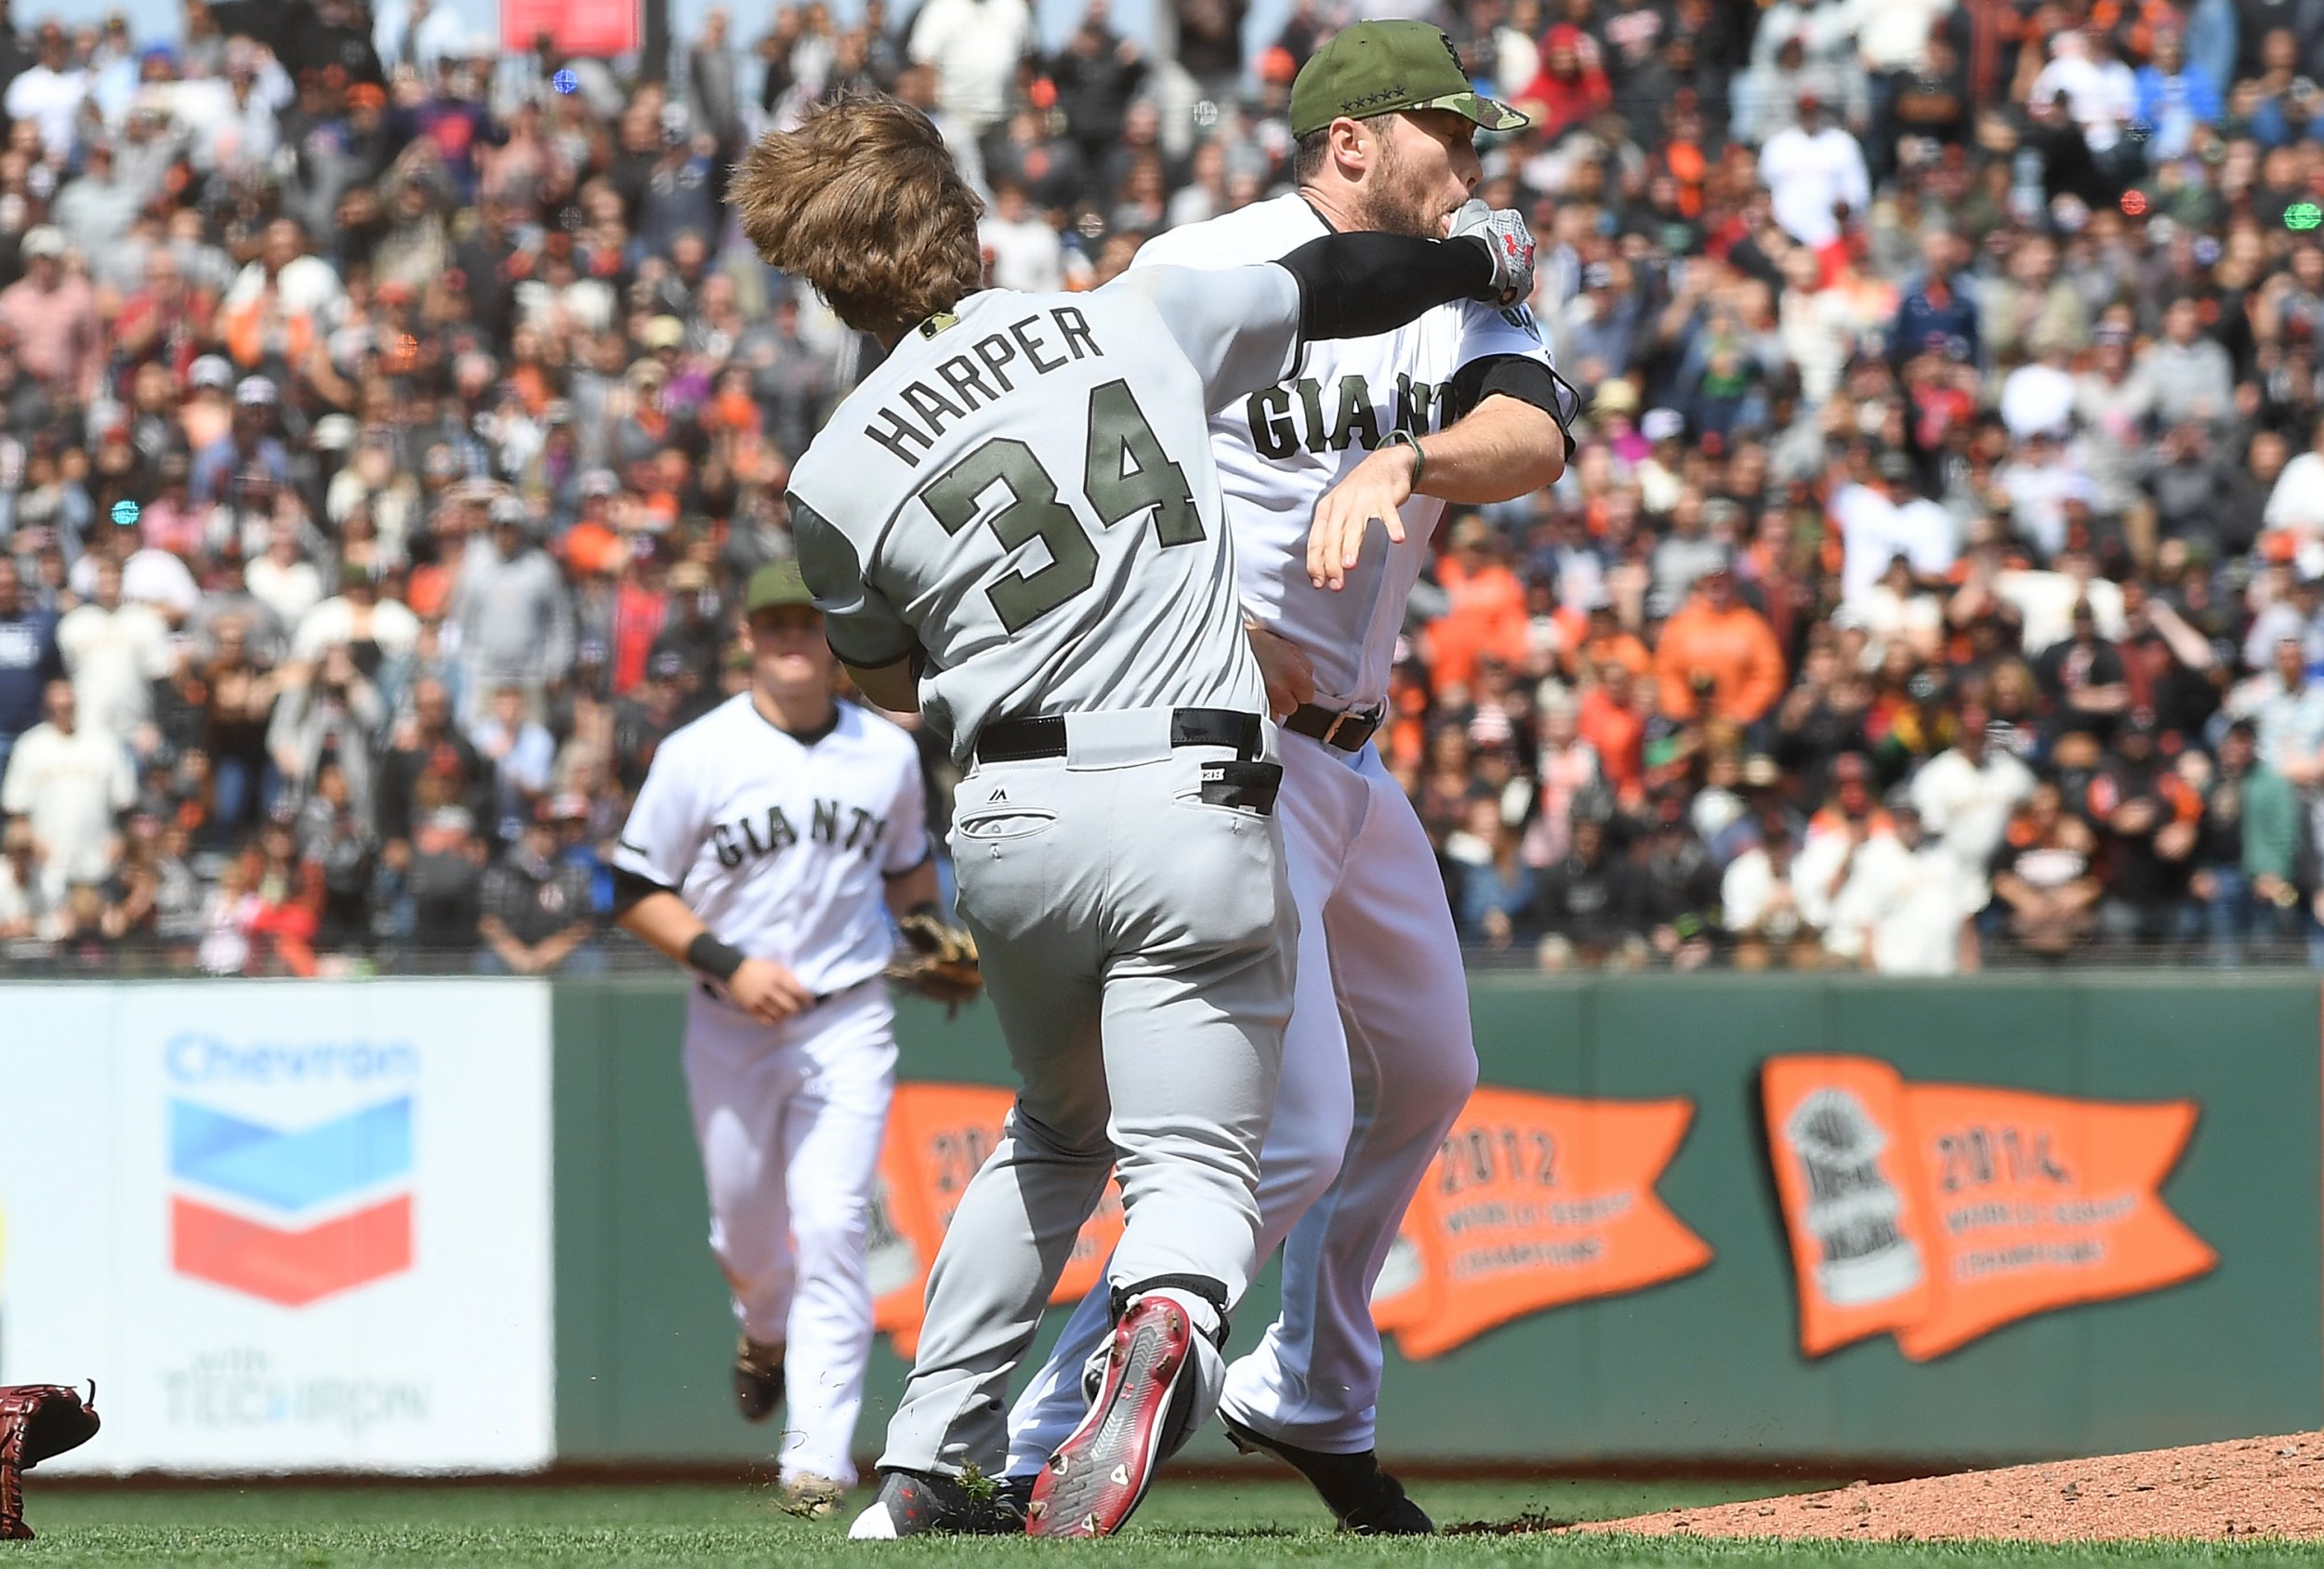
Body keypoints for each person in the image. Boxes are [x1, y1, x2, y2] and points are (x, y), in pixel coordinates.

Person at [733, 93, 1533, 1539]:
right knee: (1210, 1167)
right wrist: (1479, 267)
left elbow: (889, 676)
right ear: (964, 225)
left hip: (1015, 819)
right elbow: (1334, 282)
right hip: (1196, 786)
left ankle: (923, 1463)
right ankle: (1168, 1320)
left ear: (822, 274)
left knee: (1051, 1131)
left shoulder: (830, 476)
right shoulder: (1130, 316)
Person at [1002, 20, 1573, 1536]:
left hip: (1353, 760)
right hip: (1227, 744)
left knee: (1432, 1072)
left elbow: (1532, 436)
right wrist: (1207, 628)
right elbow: (1079, 477)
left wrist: (1410, 465)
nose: (1478, 166)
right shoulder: (1204, 269)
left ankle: (1308, 1385)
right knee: (1298, 1125)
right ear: (1353, 140)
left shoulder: (1456, 283)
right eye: (1454, 136)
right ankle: (1024, 1444)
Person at [610, 561, 935, 1517]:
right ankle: (761, 1327)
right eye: (775, 621)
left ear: (834, 638)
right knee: (747, 1234)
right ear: (750, 637)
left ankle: (816, 1457)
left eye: (808, 620)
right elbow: (631, 889)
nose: (792, 634)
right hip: (729, 1018)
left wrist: (931, 940)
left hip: (847, 1013)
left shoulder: (885, 753)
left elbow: (909, 876)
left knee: (835, 1220)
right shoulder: (698, 753)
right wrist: (730, 960)